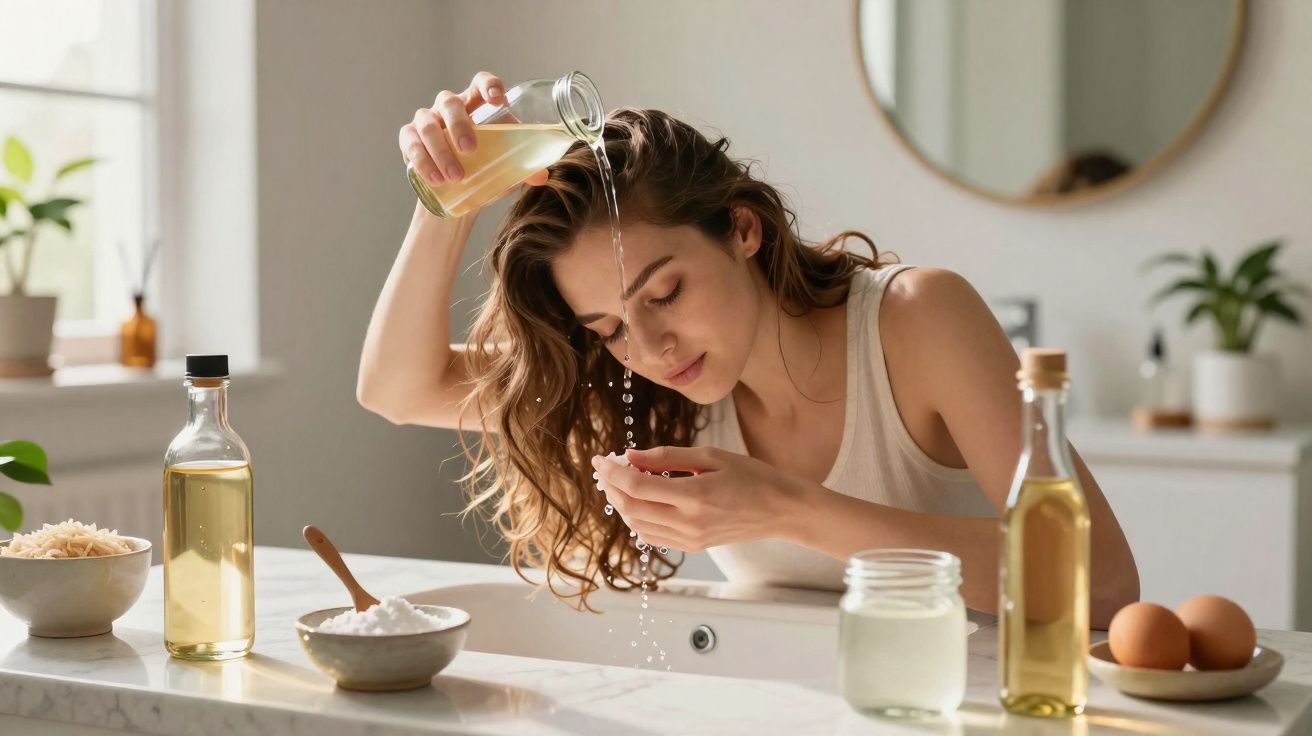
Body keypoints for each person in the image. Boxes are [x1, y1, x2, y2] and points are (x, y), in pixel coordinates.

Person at [359, 72, 1139, 624]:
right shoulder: (657, 393)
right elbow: (398, 390)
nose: (651, 347)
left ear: (742, 229)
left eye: (664, 295)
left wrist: (787, 508)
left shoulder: (915, 321)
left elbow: (1101, 582)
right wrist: (444, 195)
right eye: (609, 328)